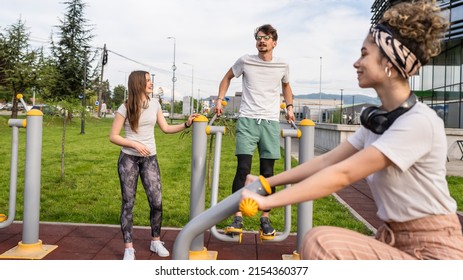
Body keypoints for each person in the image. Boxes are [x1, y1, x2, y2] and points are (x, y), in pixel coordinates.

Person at [241, 0, 463, 259]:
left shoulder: (418, 122)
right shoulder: (379, 122)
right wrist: (266, 183)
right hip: (395, 241)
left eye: (364, 54)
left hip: (434, 251)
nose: (356, 63)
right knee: (322, 242)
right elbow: (326, 161)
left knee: (321, 243)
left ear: (389, 62)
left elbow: (343, 174)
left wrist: (268, 202)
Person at [215, 24, 295, 237]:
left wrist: (289, 107)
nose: (262, 41)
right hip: (247, 121)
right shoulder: (245, 60)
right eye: (259, 37)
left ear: (274, 42)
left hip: (270, 123)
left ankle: (265, 219)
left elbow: (286, 87)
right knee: (243, 169)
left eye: (266, 38)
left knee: (267, 174)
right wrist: (220, 99)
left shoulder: (282, 65)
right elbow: (227, 78)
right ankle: (238, 217)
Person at [109, 70, 198, 260]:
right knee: (128, 203)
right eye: (148, 81)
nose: (151, 84)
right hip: (128, 159)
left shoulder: (155, 104)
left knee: (156, 202)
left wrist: (186, 124)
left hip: (150, 159)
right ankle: (129, 248)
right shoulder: (125, 107)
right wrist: (134, 144)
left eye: (151, 80)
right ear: (138, 84)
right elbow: (113, 136)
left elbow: (165, 128)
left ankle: (156, 241)